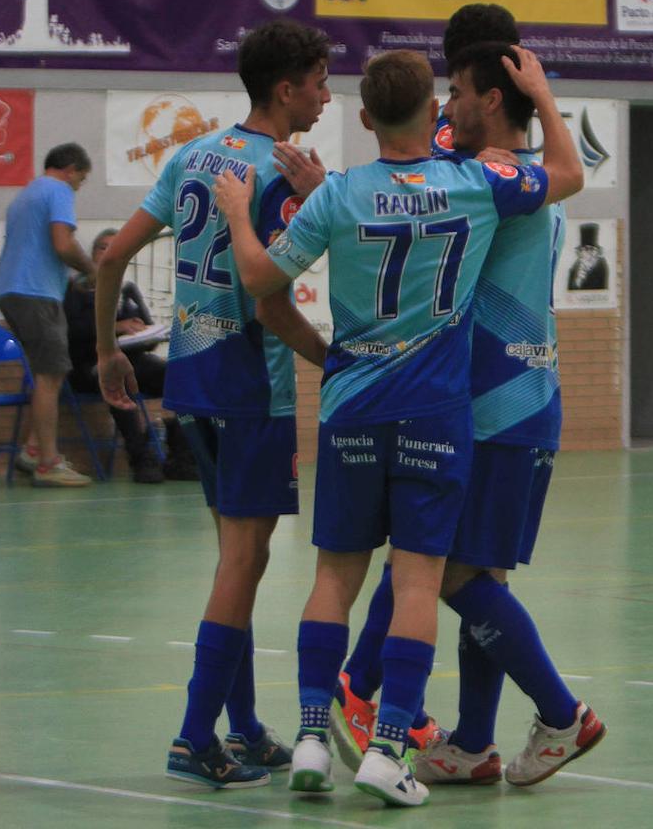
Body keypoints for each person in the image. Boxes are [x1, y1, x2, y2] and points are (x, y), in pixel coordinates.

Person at [215, 46, 583, 806]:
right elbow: (569, 178)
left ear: (361, 116)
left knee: (333, 577)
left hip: (352, 405)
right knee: (419, 580)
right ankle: (388, 752)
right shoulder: (477, 183)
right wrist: (544, 98)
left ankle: (313, 737)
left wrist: (232, 211)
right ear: (432, 114)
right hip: (438, 416)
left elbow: (260, 281)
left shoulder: (339, 195)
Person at [331, 34, 606, 791]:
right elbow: (565, 167)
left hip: (488, 404)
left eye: (456, 91)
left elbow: (420, 161)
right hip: (527, 398)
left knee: (438, 571)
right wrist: (542, 95)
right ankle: (475, 743)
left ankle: (560, 713)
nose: (446, 106)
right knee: (476, 571)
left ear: (489, 99)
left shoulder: (482, 175)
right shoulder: (517, 175)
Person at [95, 19, 331, 788]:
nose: (328, 95)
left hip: (191, 388)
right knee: (244, 560)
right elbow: (267, 300)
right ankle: (195, 736)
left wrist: (107, 353)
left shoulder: (195, 155)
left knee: (240, 560)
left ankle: (245, 727)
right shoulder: (276, 174)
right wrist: (337, 362)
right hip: (249, 389)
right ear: (285, 87)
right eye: (321, 81)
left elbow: (112, 257)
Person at [329, 0, 522, 774]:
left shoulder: (458, 152)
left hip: (457, 379)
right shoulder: (501, 159)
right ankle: (457, 731)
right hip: (488, 379)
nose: (450, 101)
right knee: (446, 564)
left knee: (436, 564)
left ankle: (372, 694)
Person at [0, 142, 96, 488]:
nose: (77, 188)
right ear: (71, 170)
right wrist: (92, 269)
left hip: (14, 290)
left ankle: (33, 449)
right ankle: (48, 463)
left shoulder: (25, 195)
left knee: (47, 373)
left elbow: (37, 250)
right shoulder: (58, 190)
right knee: (51, 375)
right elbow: (63, 244)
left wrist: (73, 278)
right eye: (81, 181)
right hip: (36, 293)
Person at [63, 228, 197, 483]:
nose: (110, 252)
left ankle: (181, 453)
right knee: (119, 379)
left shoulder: (128, 290)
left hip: (133, 361)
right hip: (87, 365)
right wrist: (114, 329)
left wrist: (143, 331)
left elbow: (147, 339)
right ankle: (140, 457)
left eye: (116, 247)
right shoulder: (76, 290)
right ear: (92, 255)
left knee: (180, 376)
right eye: (103, 247)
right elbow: (71, 332)